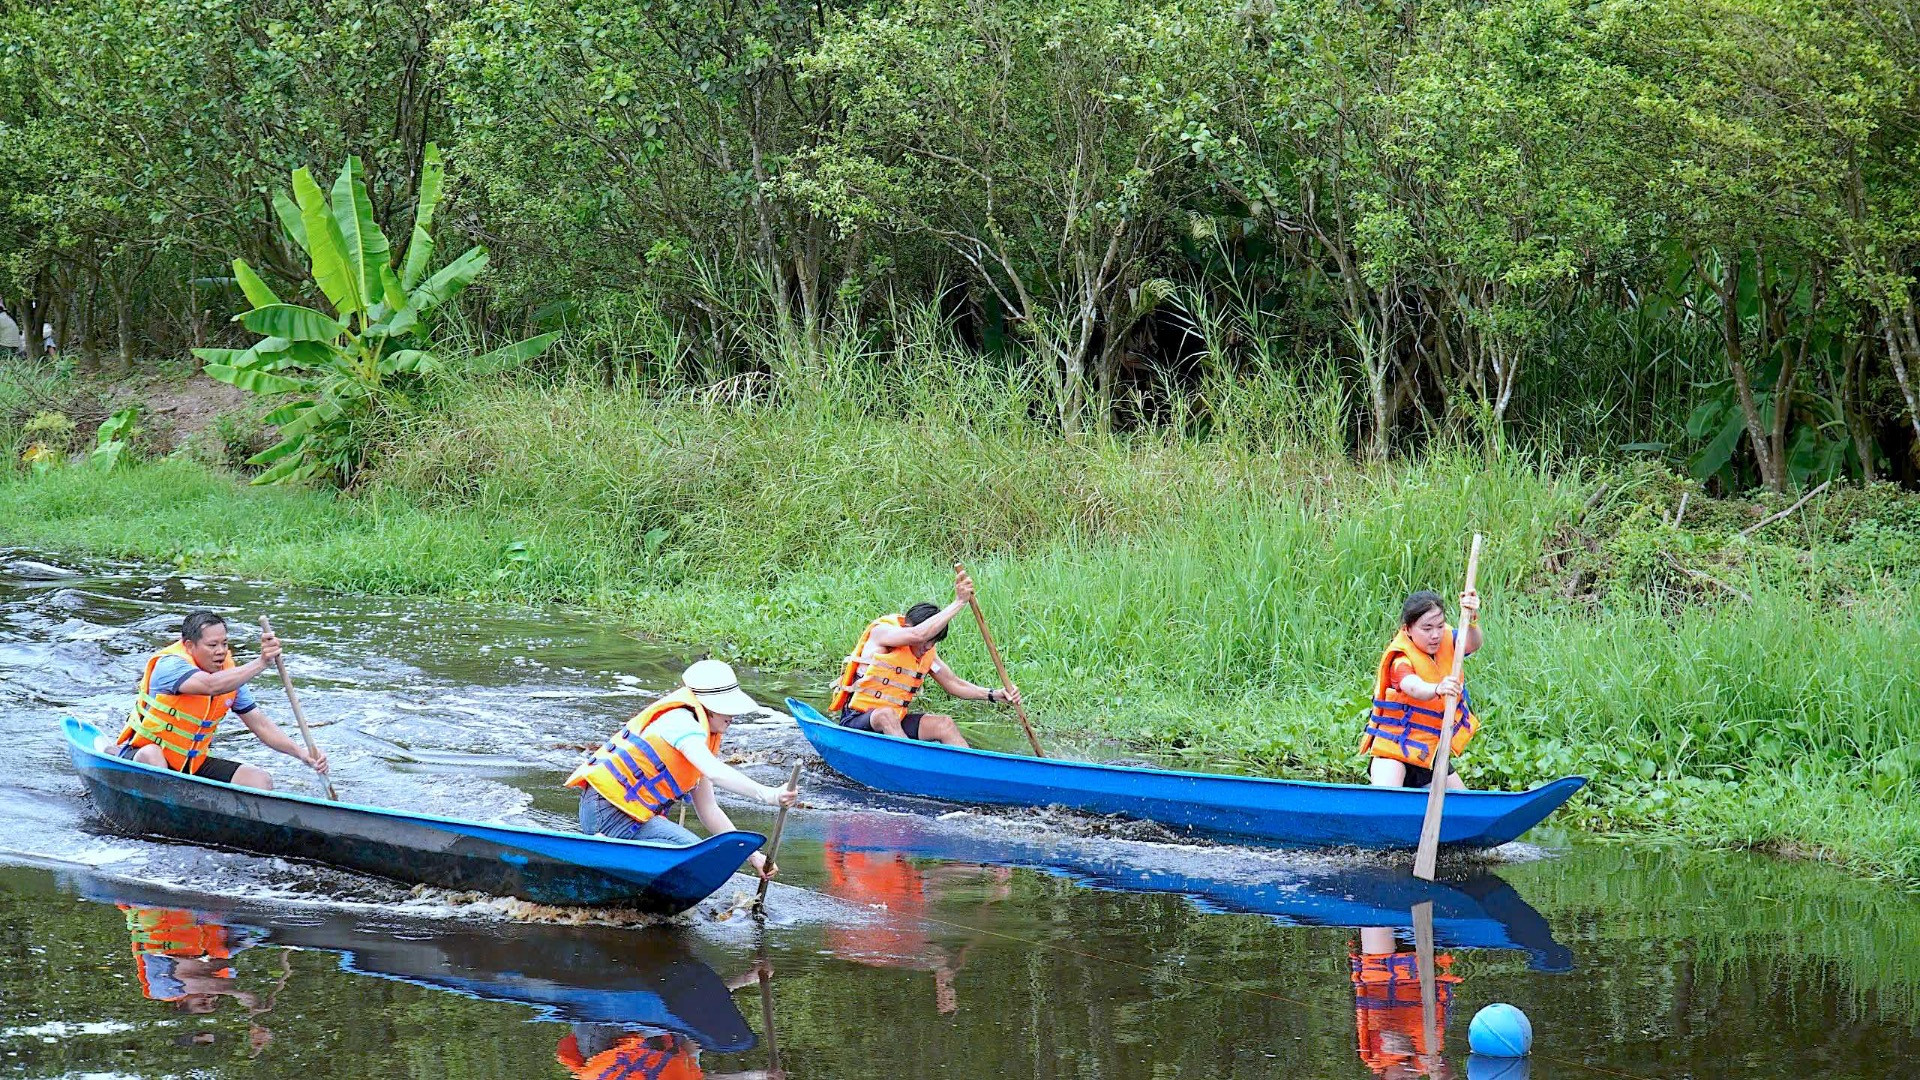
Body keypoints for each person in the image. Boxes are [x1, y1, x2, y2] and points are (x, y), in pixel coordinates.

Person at [568, 659, 798, 879]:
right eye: (726, 708)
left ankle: (618, 871)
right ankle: (606, 858)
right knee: (691, 858)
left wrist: (753, 856)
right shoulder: (681, 723)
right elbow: (715, 772)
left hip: (634, 816)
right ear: (708, 706)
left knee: (695, 858)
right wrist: (769, 795)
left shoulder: (702, 739)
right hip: (607, 811)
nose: (732, 716)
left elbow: (709, 809)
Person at [116, 610, 329, 790]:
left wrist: (302, 754)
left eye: (224, 644)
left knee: (260, 780)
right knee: (153, 754)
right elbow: (210, 685)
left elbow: (261, 725)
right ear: (190, 646)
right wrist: (262, 662)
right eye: (212, 645)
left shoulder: (231, 676)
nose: (221, 651)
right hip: (143, 757)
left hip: (190, 764)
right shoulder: (170, 666)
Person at [829, 567, 1022, 748]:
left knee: (944, 724)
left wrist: (995, 694)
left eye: (934, 641)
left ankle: (973, 772)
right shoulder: (883, 633)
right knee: (887, 715)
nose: (929, 646)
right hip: (857, 721)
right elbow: (918, 635)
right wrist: (959, 602)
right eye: (928, 640)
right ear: (907, 628)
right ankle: (909, 766)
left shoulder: (927, 653)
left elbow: (955, 684)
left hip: (896, 723)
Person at [1362, 589, 1482, 790]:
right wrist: (1437, 688)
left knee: (1464, 806)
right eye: (1426, 629)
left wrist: (1471, 619)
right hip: (1394, 749)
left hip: (1428, 751)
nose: (1435, 635)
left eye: (1439, 626)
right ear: (1408, 629)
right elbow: (1412, 686)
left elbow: (1472, 643)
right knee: (1386, 802)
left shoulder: (1447, 638)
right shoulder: (1400, 658)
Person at [1351, 926, 1459, 1079]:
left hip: (1379, 967)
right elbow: (1448, 1073)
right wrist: (1438, 1066)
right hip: (1424, 968)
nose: (1408, 1078)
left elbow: (1388, 1036)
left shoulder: (1376, 1057)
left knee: (1378, 927)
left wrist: (1405, 1048)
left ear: (1384, 1076)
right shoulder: (1424, 1061)